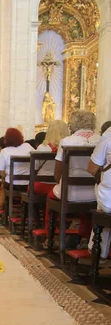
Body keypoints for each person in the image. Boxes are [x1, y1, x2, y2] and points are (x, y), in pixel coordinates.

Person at [44, 110, 100, 240]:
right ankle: (85, 236)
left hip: (70, 192)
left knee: (50, 197)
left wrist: (60, 182)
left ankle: (49, 236)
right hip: (96, 194)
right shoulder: (100, 140)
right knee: (88, 203)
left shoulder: (67, 141)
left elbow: (57, 174)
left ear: (73, 124)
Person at [87, 120, 111, 262]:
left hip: (108, 199)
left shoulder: (107, 140)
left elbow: (91, 169)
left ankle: (98, 251)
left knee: (102, 201)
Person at [32, 120, 69, 196]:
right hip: (61, 185)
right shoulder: (67, 148)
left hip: (42, 184)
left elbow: (34, 167)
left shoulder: (42, 147)